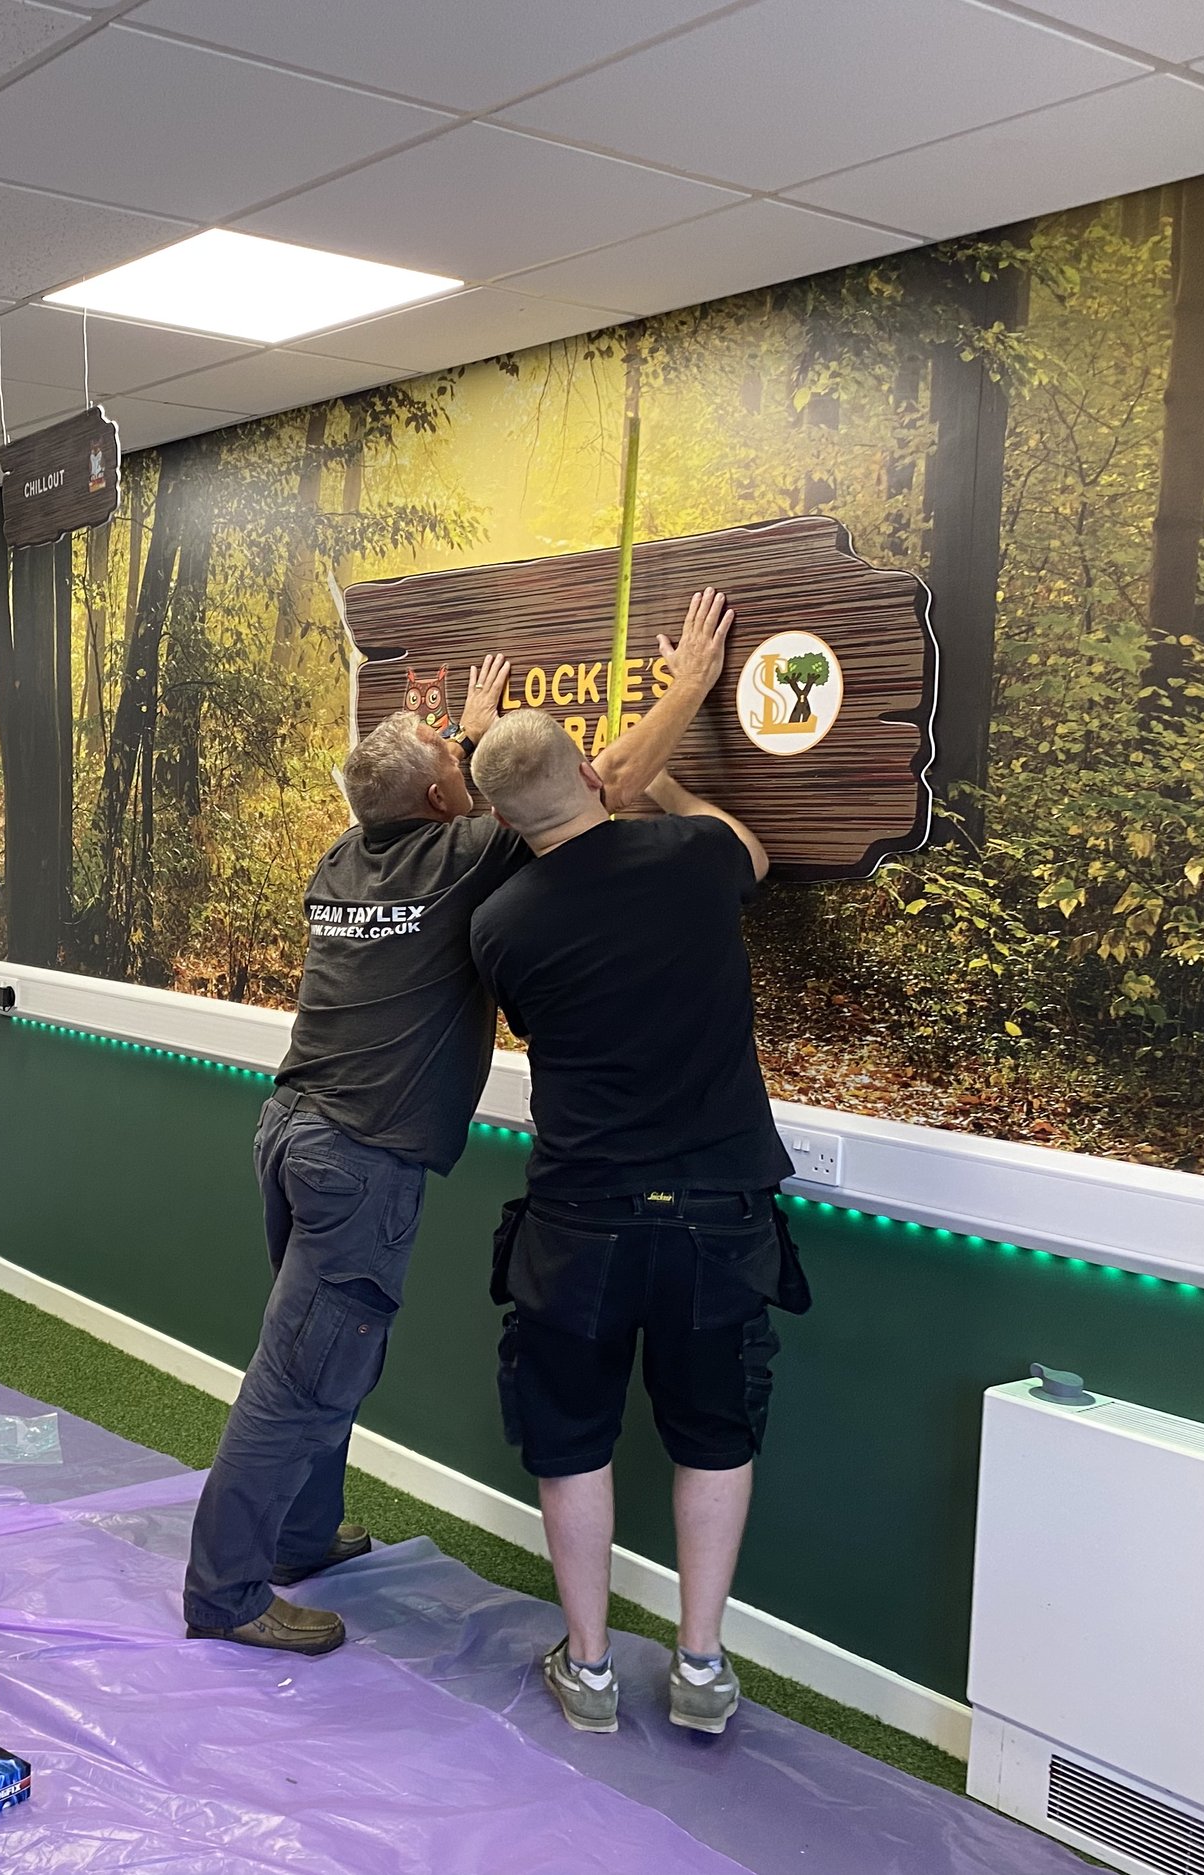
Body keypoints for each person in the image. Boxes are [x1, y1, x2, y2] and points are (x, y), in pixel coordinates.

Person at [182, 593, 732, 1658]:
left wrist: (462, 738)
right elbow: (600, 782)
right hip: (358, 1159)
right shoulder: (464, 859)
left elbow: (425, 791)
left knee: (326, 1357)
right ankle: (226, 1591)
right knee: (300, 1379)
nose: (462, 758)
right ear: (445, 798)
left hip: (291, 1134)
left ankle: (300, 1535)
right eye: (452, 760)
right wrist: (688, 689)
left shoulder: (342, 860)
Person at [466, 590, 808, 1737]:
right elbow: (751, 851)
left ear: (499, 815)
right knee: (715, 1436)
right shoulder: (691, 854)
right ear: (592, 773)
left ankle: (591, 1669)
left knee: (571, 1442)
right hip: (720, 1215)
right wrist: (663, 770)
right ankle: (701, 1668)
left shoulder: (499, 925)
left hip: (579, 1222)